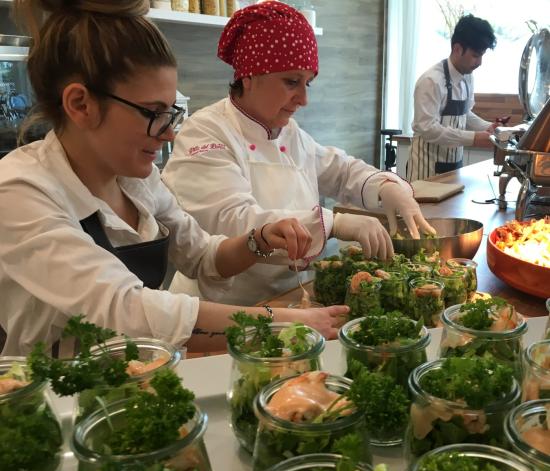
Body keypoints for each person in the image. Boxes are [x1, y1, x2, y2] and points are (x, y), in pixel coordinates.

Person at [0, 0, 349, 356]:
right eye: (153, 113)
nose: (169, 134)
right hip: (50, 403)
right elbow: (125, 309)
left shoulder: (136, 180)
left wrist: (258, 240)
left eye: (171, 113)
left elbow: (202, 256)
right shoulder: (20, 192)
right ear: (80, 104)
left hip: (137, 378)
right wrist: (283, 323)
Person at [162, 0, 435, 307]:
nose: (303, 98)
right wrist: (336, 223)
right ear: (249, 76)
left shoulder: (288, 133)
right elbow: (233, 222)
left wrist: (387, 188)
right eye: (292, 81)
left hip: (286, 298)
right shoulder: (205, 132)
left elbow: (339, 169)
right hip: (223, 307)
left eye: (308, 83)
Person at [406, 14, 498, 181]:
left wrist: (488, 127)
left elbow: (465, 114)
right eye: (476, 55)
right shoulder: (431, 81)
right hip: (426, 170)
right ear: (457, 49)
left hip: (454, 167)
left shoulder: (467, 77)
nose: (480, 63)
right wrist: (474, 138)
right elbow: (427, 129)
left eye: (482, 55)